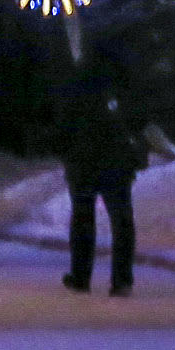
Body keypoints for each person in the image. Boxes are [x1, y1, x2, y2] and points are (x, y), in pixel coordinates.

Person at [54, 58, 143, 296]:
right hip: (116, 165)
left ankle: (81, 276)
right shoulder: (117, 95)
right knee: (122, 221)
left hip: (83, 165)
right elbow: (135, 124)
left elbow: (63, 130)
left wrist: (68, 156)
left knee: (83, 219)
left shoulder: (73, 95)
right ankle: (122, 279)